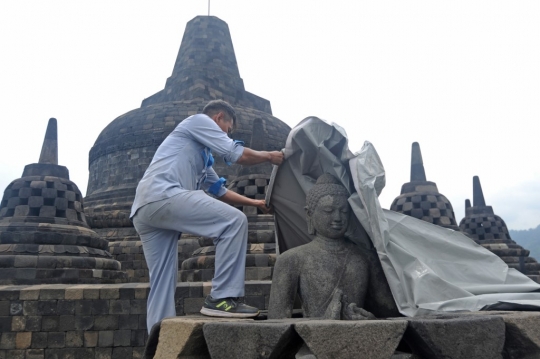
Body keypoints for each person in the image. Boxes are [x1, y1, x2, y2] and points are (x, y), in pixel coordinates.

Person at [130, 100, 284, 332]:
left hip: (145, 208)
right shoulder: (198, 121)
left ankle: (157, 341)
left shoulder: (201, 157)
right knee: (234, 221)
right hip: (164, 195)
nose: (227, 133)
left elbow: (219, 191)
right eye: (228, 128)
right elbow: (236, 154)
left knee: (162, 281)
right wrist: (270, 156)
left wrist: (255, 202)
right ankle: (222, 298)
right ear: (218, 118)